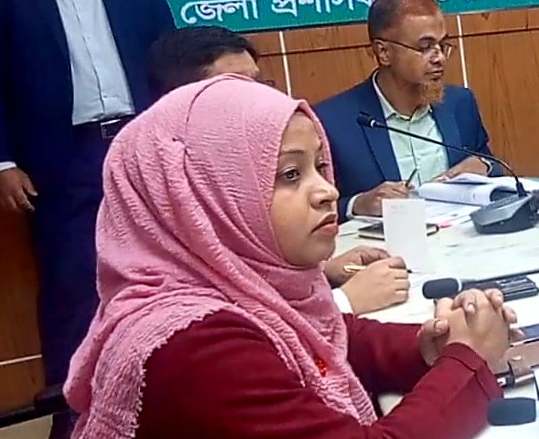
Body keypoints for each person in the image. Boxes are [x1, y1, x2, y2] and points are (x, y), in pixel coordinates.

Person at [17, 76, 515, 439]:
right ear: (200, 197)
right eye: (289, 175)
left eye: (320, 166)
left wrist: (431, 343)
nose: (327, 191)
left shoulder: (239, 285)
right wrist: (466, 361)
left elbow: (332, 338)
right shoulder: (191, 343)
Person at [0, 0, 176, 439]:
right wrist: (0, 161)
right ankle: (72, 412)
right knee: (72, 285)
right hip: (62, 157)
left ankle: (163, 397)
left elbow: (170, 60)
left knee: (163, 270)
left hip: (140, 141)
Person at [148, 25, 410, 315]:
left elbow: (245, 280)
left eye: (259, 85)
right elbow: (234, 326)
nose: (328, 192)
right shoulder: (162, 228)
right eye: (290, 176)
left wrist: (321, 273)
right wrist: (342, 304)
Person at [315, 0, 500, 218]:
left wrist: (485, 165)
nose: (439, 58)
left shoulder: (459, 103)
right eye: (425, 47)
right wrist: (357, 204)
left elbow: (492, 166)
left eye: (442, 45)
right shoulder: (332, 122)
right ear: (384, 52)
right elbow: (311, 208)